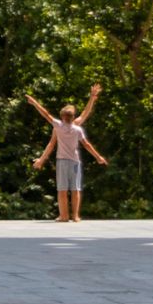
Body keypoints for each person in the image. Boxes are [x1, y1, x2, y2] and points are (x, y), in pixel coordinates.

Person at [27, 83, 107, 222]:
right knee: (75, 189)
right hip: (75, 161)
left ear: (62, 116)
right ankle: (75, 216)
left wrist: (35, 103)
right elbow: (85, 124)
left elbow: (46, 117)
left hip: (62, 161)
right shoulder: (77, 128)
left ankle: (64, 216)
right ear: (72, 117)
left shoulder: (57, 126)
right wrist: (98, 156)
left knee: (62, 190)